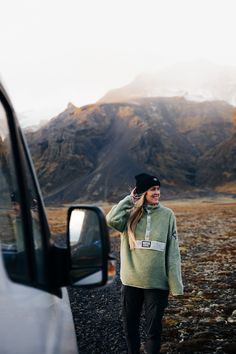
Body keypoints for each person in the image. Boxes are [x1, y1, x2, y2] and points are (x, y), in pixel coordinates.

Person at [106, 173, 184, 354]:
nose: (157, 193)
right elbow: (110, 220)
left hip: (157, 285)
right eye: (152, 189)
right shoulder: (129, 215)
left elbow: (173, 252)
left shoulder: (167, 215)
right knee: (130, 328)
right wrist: (129, 199)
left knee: (153, 331)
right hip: (131, 282)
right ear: (143, 192)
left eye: (158, 189)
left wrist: (176, 285)